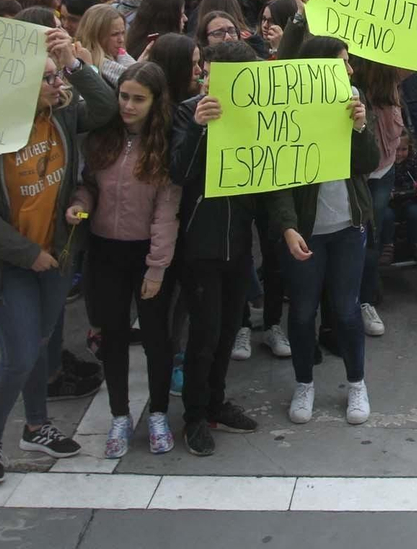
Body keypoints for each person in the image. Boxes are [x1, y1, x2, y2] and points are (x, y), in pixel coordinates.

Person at [0, 28, 116, 485]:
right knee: (20, 354)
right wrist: (28, 254)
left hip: (55, 256)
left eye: (56, 77)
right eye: (48, 79)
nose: (57, 85)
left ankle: (36, 427)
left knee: (42, 346)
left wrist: (74, 64)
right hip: (9, 264)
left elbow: (104, 109)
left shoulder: (62, 118)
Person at [65, 62, 180, 457]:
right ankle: (119, 414)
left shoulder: (165, 143)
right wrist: (80, 205)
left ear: (155, 102)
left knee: (156, 339)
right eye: (123, 96)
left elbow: (167, 209)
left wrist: (157, 266)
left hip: (146, 251)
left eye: (138, 99)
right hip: (104, 251)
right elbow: (88, 186)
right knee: (111, 337)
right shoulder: (104, 138)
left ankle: (159, 413)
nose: (128, 106)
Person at [267, 36, 379, 424]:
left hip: (348, 227)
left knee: (346, 311)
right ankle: (304, 384)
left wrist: (361, 127)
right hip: (307, 232)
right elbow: (277, 175)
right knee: (301, 312)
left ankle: (357, 384)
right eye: (342, 63)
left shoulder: (353, 98)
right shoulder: (291, 109)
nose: (351, 70)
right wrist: (287, 226)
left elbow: (369, 163)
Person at [169, 40, 263, 457]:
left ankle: (215, 402)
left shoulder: (254, 112)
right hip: (201, 244)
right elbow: (179, 172)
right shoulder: (188, 112)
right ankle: (193, 416)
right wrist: (199, 128)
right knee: (204, 334)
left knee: (228, 330)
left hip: (240, 242)